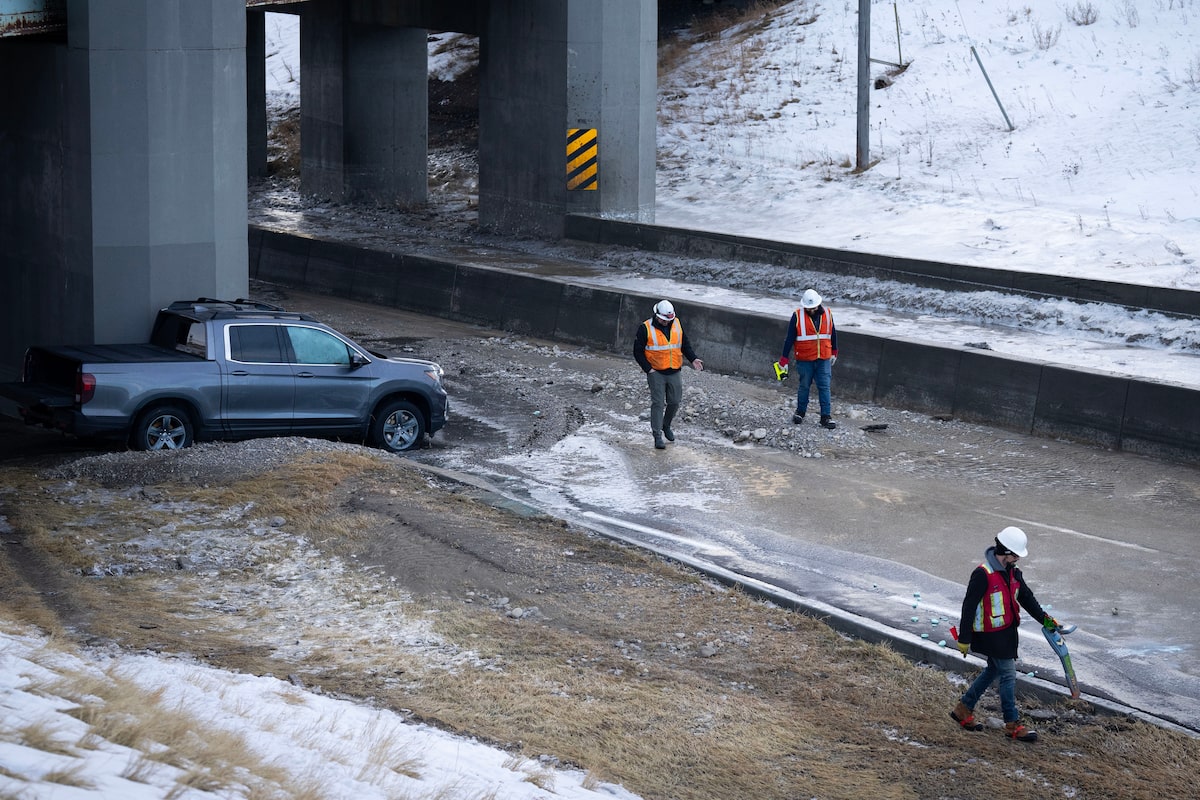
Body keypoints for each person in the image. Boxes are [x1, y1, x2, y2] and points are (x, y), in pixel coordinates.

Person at [950, 526, 1061, 742]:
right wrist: (964, 638)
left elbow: (1027, 598)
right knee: (1008, 674)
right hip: (990, 636)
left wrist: (1047, 620)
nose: (1018, 558)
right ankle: (1012, 724)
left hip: (1007, 634)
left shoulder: (1013, 573)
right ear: (1007, 552)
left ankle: (963, 708)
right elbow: (969, 606)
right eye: (1016, 554)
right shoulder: (982, 574)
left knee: (993, 670)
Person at [633, 300, 703, 449]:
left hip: (674, 370)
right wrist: (648, 369)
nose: (665, 322)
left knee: (675, 401)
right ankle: (657, 435)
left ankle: (666, 425)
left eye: (668, 320)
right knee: (658, 403)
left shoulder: (676, 324)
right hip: (656, 372)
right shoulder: (645, 328)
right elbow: (637, 352)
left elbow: (684, 344)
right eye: (663, 320)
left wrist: (693, 358)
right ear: (656, 315)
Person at [776, 288, 838, 429]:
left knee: (824, 387)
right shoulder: (797, 316)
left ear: (818, 304)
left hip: (823, 358)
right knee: (804, 386)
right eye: (808, 308)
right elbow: (789, 339)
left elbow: (833, 333)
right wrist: (783, 360)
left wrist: (834, 351)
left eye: (813, 308)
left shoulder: (828, 314)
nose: (811, 310)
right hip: (804, 359)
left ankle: (826, 417)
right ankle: (800, 412)